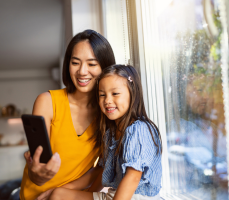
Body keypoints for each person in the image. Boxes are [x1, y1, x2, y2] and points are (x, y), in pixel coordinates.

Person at [19, 29, 116, 200]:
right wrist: (38, 175)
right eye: (75, 62)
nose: (82, 71)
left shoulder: (107, 112)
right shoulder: (47, 102)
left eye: (92, 64)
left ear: (105, 68)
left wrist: (61, 192)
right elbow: (38, 168)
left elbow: (103, 169)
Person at [48, 65, 163, 200]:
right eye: (102, 95)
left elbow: (133, 177)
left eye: (115, 94)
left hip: (135, 196)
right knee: (58, 195)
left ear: (133, 93)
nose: (107, 100)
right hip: (112, 195)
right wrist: (86, 194)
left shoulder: (139, 130)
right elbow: (102, 172)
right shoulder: (110, 134)